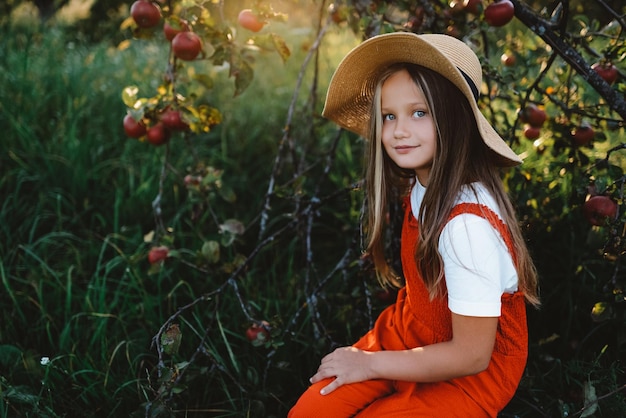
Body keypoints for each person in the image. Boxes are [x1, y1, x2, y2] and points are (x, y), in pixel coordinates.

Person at [288, 32, 540, 418]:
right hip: (410, 332)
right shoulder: (422, 181)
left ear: (455, 119)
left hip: (470, 375)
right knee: (309, 414)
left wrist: (369, 364)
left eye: (418, 113)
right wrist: (373, 359)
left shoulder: (467, 227)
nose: (399, 130)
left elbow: (471, 356)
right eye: (389, 116)